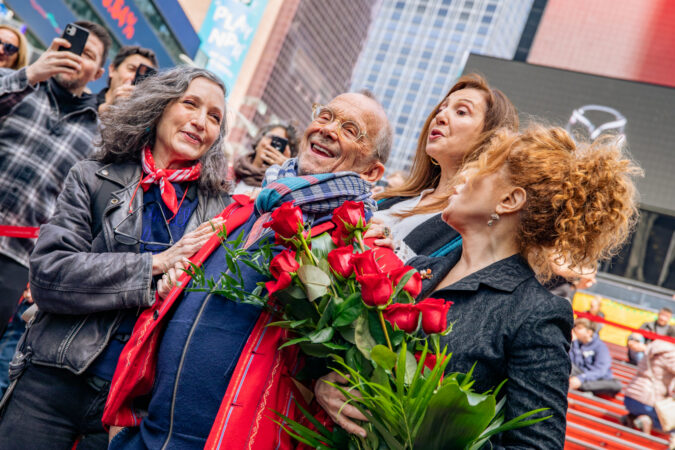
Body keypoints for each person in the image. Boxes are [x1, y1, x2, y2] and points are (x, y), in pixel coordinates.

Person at [317, 126, 640, 448]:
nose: (461, 181)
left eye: (481, 173)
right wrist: (329, 388)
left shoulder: (536, 312)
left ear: (509, 200)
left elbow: (536, 444)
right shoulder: (418, 269)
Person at [103, 92, 392, 449]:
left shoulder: (358, 251)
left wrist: (330, 382)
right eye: (326, 116)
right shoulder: (244, 208)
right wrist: (125, 423)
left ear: (372, 171)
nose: (328, 130)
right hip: (147, 437)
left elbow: (353, 370)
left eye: (350, 129)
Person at [0, 66, 230, 450]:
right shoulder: (92, 177)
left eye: (214, 117)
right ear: (159, 107)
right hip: (51, 380)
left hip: (130, 410)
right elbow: (49, 275)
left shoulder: (223, 214)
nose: (201, 121)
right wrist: (154, 266)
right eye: (190, 103)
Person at [0, 21, 111, 336]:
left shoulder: (101, 136)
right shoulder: (14, 83)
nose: (74, 57)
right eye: (69, 46)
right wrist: (31, 74)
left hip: (18, 260)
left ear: (98, 74)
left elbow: (84, 213)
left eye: (87, 54)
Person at [368, 73, 518, 260]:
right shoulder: (395, 197)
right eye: (441, 108)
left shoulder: (472, 224)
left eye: (461, 112)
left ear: (491, 137)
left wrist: (389, 254)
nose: (441, 116)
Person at [623, 339, 675, 449]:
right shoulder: (671, 354)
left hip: (631, 396)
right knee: (671, 423)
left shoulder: (654, 347)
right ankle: (647, 420)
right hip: (649, 400)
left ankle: (633, 417)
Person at [231, 122, 298, 195]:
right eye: (271, 137)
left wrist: (285, 170)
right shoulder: (229, 173)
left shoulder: (279, 188)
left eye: (280, 144)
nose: (272, 145)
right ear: (258, 142)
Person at [97, 45, 158, 115]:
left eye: (143, 77)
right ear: (112, 69)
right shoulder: (84, 99)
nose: (134, 78)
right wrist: (108, 106)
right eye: (131, 69)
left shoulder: (140, 121)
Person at [569, 318, 622, 396]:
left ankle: (581, 386)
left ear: (589, 332)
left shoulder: (600, 347)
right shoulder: (575, 344)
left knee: (616, 385)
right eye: (575, 327)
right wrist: (572, 343)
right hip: (581, 374)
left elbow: (601, 370)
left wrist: (581, 379)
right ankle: (580, 385)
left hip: (597, 378)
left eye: (579, 328)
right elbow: (571, 362)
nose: (575, 330)